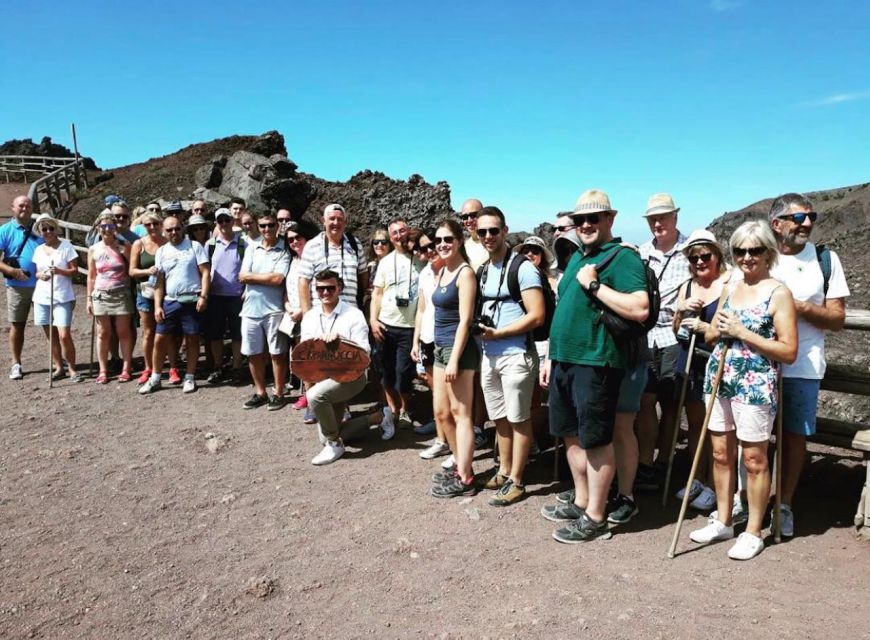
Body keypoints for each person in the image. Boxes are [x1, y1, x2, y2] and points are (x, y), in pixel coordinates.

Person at [540, 189, 649, 543]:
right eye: (579, 220)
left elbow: (639, 308)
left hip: (597, 361)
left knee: (597, 439)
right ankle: (583, 499)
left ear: (609, 220)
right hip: (565, 361)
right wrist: (550, 357)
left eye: (593, 218)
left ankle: (596, 515)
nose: (585, 225)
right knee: (571, 433)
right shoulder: (577, 257)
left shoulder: (622, 259)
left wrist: (595, 284)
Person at [690, 221, 797, 561]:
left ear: (769, 253)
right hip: (720, 376)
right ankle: (723, 520)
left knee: (754, 458)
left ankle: (753, 530)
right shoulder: (730, 286)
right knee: (720, 454)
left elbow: (788, 351)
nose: (747, 257)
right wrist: (716, 329)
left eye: (755, 250)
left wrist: (741, 332)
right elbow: (711, 336)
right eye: (740, 251)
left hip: (755, 381)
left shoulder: (778, 293)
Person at [769, 193, 848, 537]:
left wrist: (798, 307)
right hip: (760, 363)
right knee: (751, 435)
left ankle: (783, 503)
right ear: (777, 224)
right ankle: (750, 499)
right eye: (799, 218)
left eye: (811, 217)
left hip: (803, 365)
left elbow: (837, 318)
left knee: (793, 437)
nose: (807, 224)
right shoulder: (759, 254)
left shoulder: (825, 260)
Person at [475, 208, 545, 506]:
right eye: (482, 232)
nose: (488, 236)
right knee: (500, 418)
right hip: (489, 355)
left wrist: (499, 334)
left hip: (516, 354)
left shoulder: (524, 268)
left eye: (493, 230)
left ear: (505, 230)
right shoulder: (483, 269)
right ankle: (504, 471)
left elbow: (538, 316)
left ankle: (517, 479)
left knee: (519, 418)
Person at [302, 269, 391, 465]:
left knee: (314, 396)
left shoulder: (353, 315)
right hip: (325, 377)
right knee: (324, 435)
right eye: (320, 289)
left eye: (330, 288)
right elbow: (305, 354)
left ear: (339, 288)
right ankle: (378, 417)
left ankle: (335, 444)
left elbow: (364, 353)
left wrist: (341, 343)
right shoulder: (310, 317)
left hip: (352, 376)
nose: (325, 293)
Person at [671, 230, 732, 511]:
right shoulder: (687, 286)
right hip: (690, 360)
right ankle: (695, 476)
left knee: (716, 426)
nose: (699, 262)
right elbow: (674, 328)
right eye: (693, 258)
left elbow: (731, 330)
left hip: (715, 362)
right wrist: (680, 311)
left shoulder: (729, 285)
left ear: (716, 255)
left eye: (705, 256)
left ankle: (712, 483)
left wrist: (706, 328)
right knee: (696, 423)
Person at [636, 193, 691, 491]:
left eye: (663, 217)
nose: (658, 223)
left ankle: (664, 462)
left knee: (671, 404)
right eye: (653, 219)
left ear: (675, 217)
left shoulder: (690, 252)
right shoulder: (642, 252)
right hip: (645, 337)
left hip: (674, 336)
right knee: (645, 402)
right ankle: (646, 462)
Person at [429, 219, 481, 498]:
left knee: (461, 413)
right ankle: (459, 461)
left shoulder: (464, 274)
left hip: (458, 350)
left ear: (459, 240)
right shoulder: (442, 271)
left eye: (448, 239)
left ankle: (466, 476)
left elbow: (465, 321)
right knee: (441, 412)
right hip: (440, 348)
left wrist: (454, 360)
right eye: (438, 240)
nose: (442, 245)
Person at [139, 215, 210, 394]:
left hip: (192, 299)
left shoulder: (194, 247)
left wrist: (203, 296)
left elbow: (205, 273)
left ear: (182, 229)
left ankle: (190, 377)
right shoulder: (162, 251)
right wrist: (157, 305)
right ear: (164, 231)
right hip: (170, 300)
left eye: (177, 228)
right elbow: (159, 281)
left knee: (192, 338)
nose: (173, 232)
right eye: (169, 229)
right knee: (160, 338)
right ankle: (155, 377)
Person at [370, 217, 421, 428]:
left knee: (403, 374)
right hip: (386, 325)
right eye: (394, 233)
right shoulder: (385, 262)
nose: (399, 236)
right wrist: (373, 320)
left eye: (402, 231)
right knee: (386, 373)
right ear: (391, 237)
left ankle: (407, 408)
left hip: (409, 328)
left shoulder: (420, 258)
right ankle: (393, 409)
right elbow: (377, 294)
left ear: (407, 231)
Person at [238, 212, 291, 410]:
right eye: (262, 226)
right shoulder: (252, 247)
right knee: (253, 353)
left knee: (277, 353)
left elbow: (278, 279)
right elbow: (242, 276)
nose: (266, 229)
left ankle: (278, 392)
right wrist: (264, 278)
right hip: (250, 309)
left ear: (277, 226)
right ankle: (260, 392)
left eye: (270, 225)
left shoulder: (284, 249)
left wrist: (252, 277)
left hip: (274, 309)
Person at [86, 211, 135, 383]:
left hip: (121, 292)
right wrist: (88, 299)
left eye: (110, 226)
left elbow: (132, 268)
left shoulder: (124, 245)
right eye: (104, 226)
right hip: (101, 294)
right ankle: (103, 370)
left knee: (123, 331)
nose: (107, 229)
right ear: (98, 228)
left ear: (115, 228)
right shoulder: (93, 249)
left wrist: (125, 252)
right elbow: (91, 275)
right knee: (103, 332)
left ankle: (126, 368)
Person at [31, 213, 81, 382]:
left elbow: (75, 270)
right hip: (42, 296)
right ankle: (59, 367)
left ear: (55, 229)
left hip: (62, 295)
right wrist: (40, 275)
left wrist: (59, 271)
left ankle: (73, 368)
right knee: (50, 335)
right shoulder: (38, 250)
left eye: (51, 228)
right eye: (44, 229)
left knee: (64, 334)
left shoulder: (66, 247)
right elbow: (37, 271)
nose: (48, 232)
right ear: (40, 231)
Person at [412, 230, 448, 454]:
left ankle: (450, 440)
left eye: (432, 244)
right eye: (424, 248)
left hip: (446, 338)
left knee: (450, 394)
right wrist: (415, 341)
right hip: (427, 337)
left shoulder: (453, 269)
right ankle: (442, 438)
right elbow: (422, 309)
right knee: (435, 391)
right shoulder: (424, 273)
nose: (430, 250)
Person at [0, 195, 42, 380]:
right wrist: (11, 270)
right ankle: (16, 363)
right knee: (17, 324)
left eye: (28, 205)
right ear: (13, 208)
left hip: (42, 284)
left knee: (49, 324)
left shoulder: (40, 228)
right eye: (21, 206)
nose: (25, 208)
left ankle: (57, 361)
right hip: (17, 286)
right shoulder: (5, 230)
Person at [204, 208, 247, 384]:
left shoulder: (243, 245)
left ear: (232, 221)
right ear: (216, 223)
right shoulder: (211, 245)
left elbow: (248, 269)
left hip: (236, 296)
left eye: (226, 220)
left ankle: (236, 367)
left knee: (237, 335)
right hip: (215, 296)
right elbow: (204, 270)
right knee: (216, 335)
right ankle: (218, 366)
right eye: (219, 221)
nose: (223, 224)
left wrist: (246, 290)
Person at [298, 204, 367, 311]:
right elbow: (303, 282)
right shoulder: (312, 246)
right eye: (332, 219)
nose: (336, 223)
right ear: (323, 221)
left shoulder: (355, 244)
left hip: (350, 313)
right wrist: (306, 314)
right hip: (321, 313)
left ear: (345, 222)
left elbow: (363, 273)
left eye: (340, 219)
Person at [129, 209, 171, 384]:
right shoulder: (139, 244)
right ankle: (149, 367)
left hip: (167, 292)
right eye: (148, 224)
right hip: (146, 292)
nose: (152, 227)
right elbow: (131, 271)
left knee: (167, 331)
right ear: (143, 226)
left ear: (161, 225)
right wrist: (147, 270)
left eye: (155, 224)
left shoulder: (168, 242)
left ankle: (172, 366)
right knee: (148, 332)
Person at [457, 198, 488, 271]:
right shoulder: (462, 247)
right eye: (465, 217)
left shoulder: (493, 243)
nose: (469, 220)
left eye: (474, 215)